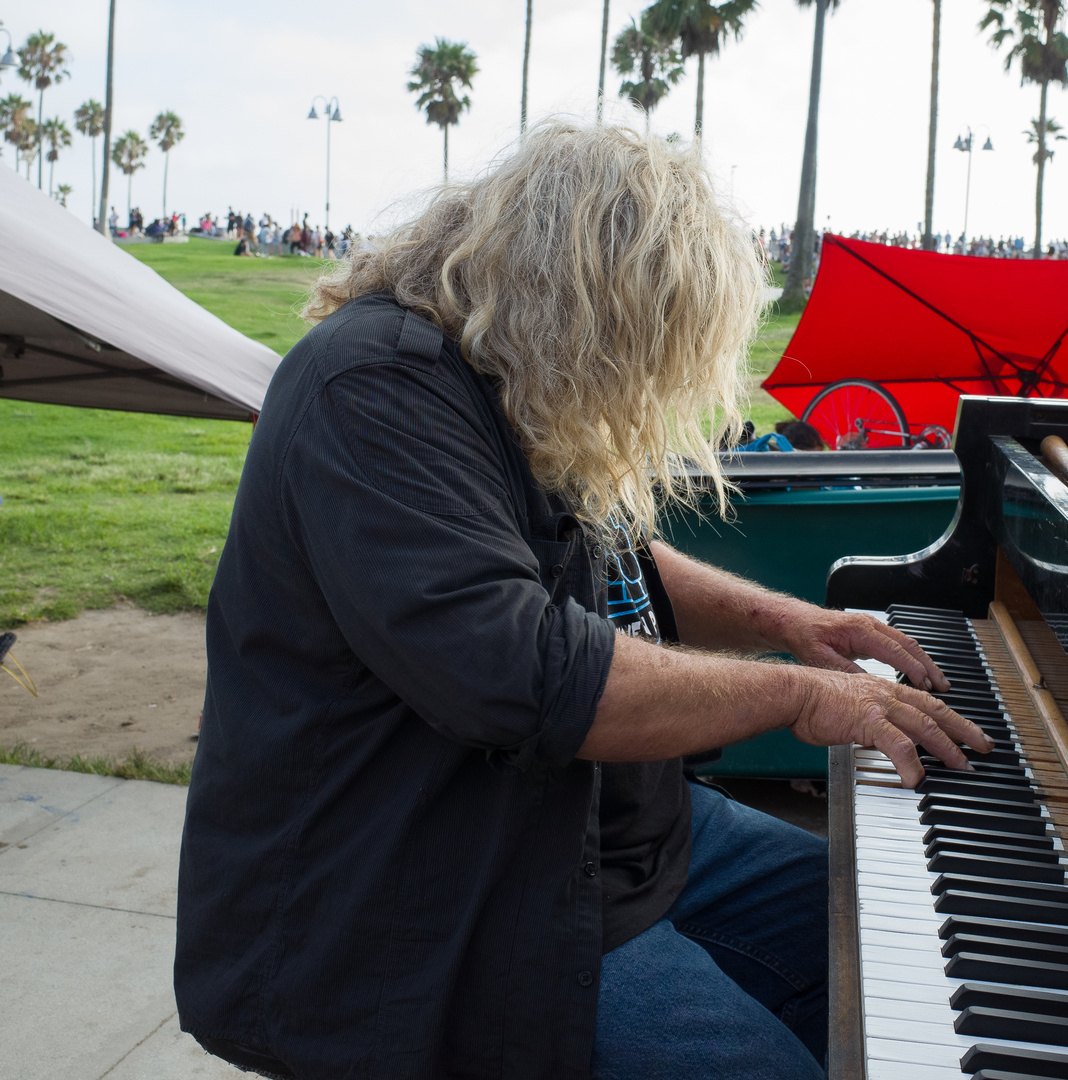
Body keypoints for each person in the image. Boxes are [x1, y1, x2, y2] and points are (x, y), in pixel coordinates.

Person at [174, 122, 988, 1080]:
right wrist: (799, 696)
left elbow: (613, 558)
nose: (650, 371)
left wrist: (788, 624)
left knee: (888, 931)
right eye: (647, 329)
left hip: (612, 835)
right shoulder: (376, 387)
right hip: (444, 889)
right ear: (574, 294)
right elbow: (521, 672)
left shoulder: (509, 372)